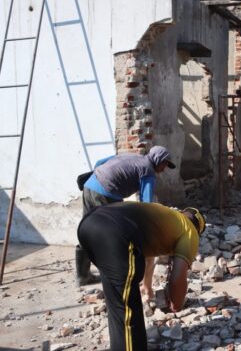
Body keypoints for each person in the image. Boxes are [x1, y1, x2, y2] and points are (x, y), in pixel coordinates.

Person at [78, 202, 205, 351]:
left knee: (117, 303)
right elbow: (178, 276)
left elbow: (146, 257)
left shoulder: (166, 215)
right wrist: (177, 303)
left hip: (88, 224)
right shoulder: (190, 231)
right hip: (114, 233)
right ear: (198, 229)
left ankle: (128, 346)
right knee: (128, 310)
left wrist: (147, 286)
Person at [76, 145, 176, 286]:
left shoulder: (131, 155)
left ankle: (82, 276)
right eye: (165, 164)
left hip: (90, 184)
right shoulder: (148, 171)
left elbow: (99, 162)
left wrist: (100, 177)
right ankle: (113, 277)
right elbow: (146, 204)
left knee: (86, 230)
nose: (164, 169)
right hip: (107, 193)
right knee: (109, 235)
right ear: (158, 160)